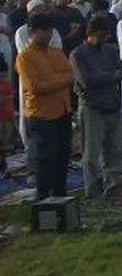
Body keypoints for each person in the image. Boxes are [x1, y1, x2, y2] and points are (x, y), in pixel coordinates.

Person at [15, 12, 74, 199]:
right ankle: (43, 200)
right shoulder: (25, 57)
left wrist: (52, 80)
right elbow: (36, 87)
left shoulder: (56, 52)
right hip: (42, 115)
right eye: (44, 31)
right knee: (46, 159)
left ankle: (60, 198)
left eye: (50, 30)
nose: (49, 34)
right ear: (32, 32)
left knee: (62, 157)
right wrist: (60, 80)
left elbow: (71, 75)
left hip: (63, 110)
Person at [70, 13, 122, 198]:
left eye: (106, 35)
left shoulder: (110, 50)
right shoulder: (78, 54)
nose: (104, 39)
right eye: (101, 35)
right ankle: (92, 190)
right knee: (91, 152)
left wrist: (106, 75)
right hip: (92, 107)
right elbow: (86, 81)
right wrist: (110, 76)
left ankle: (112, 187)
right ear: (91, 33)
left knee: (115, 149)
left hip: (112, 104)